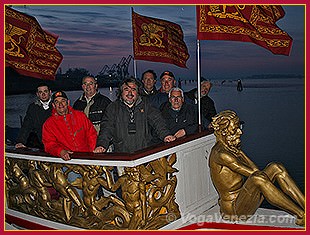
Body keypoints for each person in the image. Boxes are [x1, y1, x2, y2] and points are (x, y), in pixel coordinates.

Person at [209, 110, 305, 226]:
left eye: (239, 127)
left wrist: (241, 153)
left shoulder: (230, 149)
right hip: (233, 209)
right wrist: (239, 154)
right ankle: (300, 214)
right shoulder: (221, 154)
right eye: (235, 129)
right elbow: (254, 175)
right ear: (224, 132)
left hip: (244, 200)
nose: (240, 132)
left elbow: (256, 171)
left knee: (275, 167)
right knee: (257, 179)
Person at [94, 77, 176, 153]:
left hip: (144, 154)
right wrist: (101, 145)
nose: (130, 93)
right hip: (122, 155)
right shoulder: (113, 108)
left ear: (138, 92)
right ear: (121, 92)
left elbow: (158, 121)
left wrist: (166, 135)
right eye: (126, 89)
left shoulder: (147, 105)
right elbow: (107, 128)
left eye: (133, 89)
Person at [42, 91, 97, 160]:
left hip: (87, 157)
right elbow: (49, 145)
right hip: (68, 161)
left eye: (63, 101)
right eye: (57, 102)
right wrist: (60, 151)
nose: (60, 104)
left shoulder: (80, 116)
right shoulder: (48, 124)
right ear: (53, 105)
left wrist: (92, 153)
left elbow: (91, 134)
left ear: (68, 102)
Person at [15, 83, 52, 149]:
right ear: (37, 94)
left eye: (45, 91)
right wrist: (20, 141)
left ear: (50, 92)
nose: (43, 94)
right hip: (41, 143)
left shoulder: (58, 105)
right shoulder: (33, 108)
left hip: (58, 143)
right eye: (40, 92)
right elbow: (26, 126)